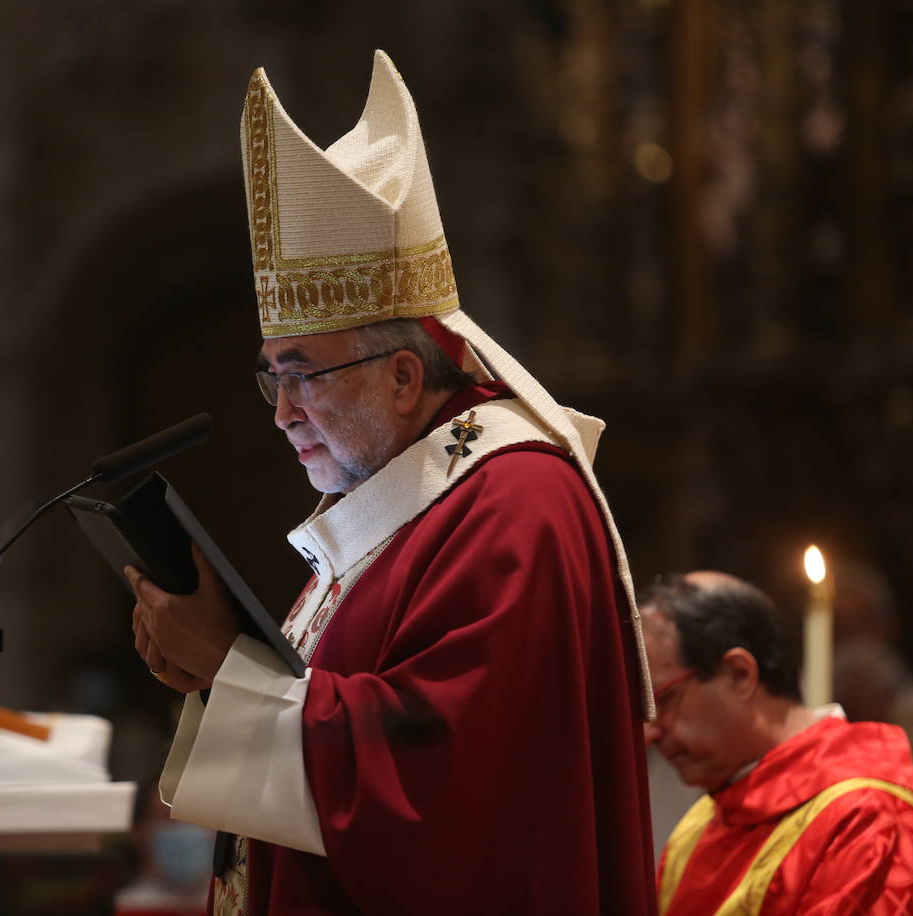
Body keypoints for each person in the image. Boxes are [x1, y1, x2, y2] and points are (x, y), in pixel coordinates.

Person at [125, 50, 656, 915]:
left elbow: (445, 791)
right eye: (272, 378)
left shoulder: (518, 508)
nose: (282, 412)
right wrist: (214, 676)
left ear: (404, 377)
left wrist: (229, 663)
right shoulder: (398, 505)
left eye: (305, 375)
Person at [640, 571, 913, 915]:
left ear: (739, 674)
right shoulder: (701, 823)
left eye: (664, 700)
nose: (649, 733)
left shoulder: (863, 820)